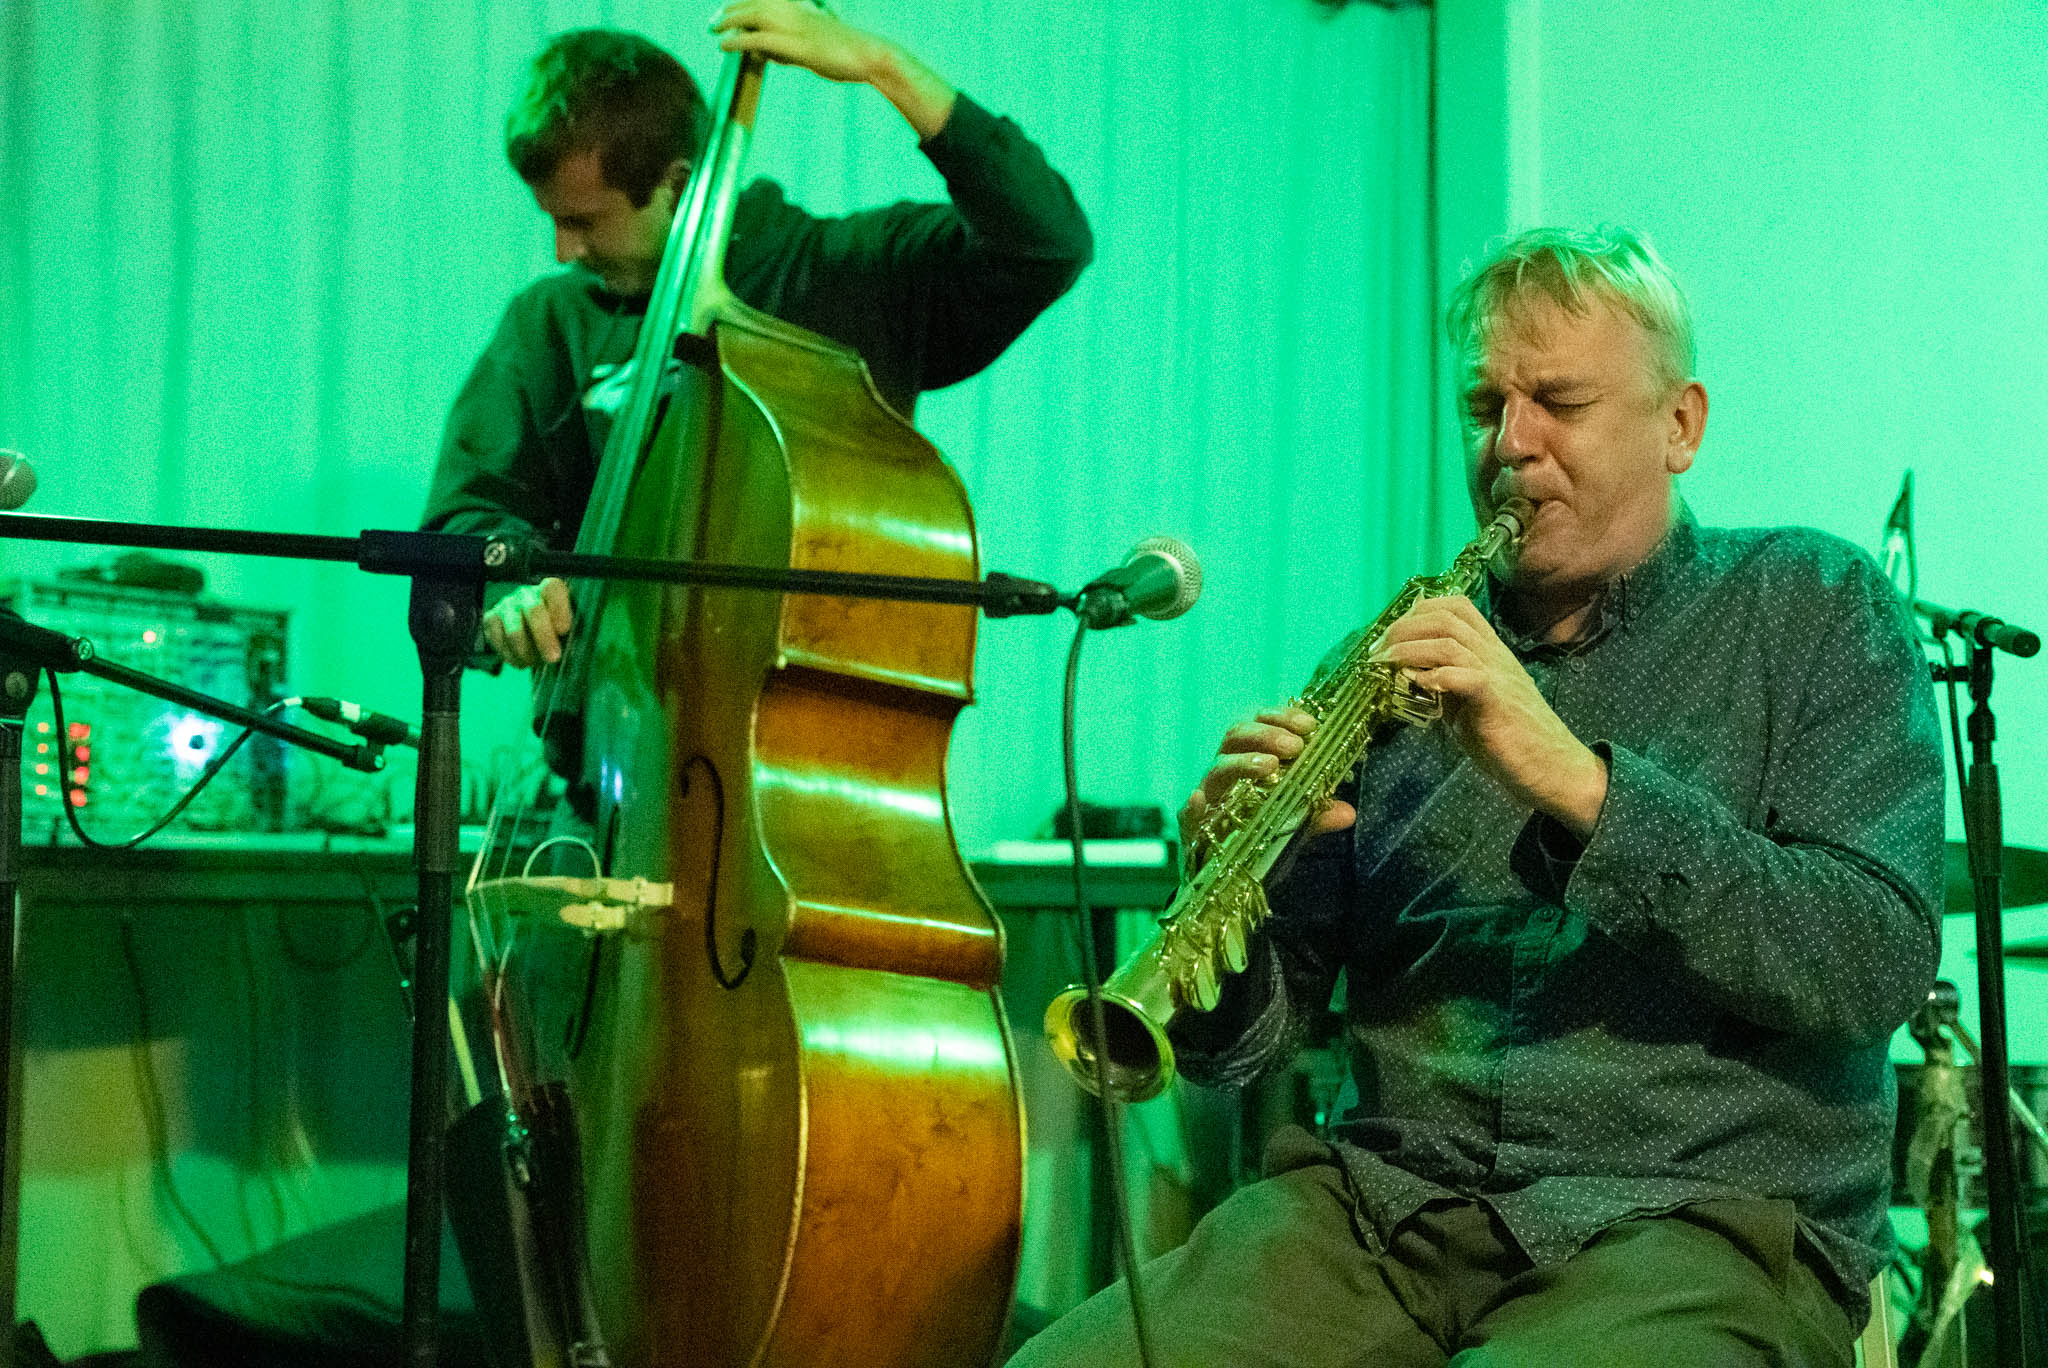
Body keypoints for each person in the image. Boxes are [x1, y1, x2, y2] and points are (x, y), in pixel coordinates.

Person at [1011, 226, 1943, 1367]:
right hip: (1379, 1215)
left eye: (1558, 402)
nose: (1510, 445)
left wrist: (1575, 782)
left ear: (1679, 425)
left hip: (1692, 1223)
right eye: (1482, 406)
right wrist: (1232, 885)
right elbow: (1238, 1051)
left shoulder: (1812, 605)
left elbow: (1871, 960)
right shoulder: (1387, 660)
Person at [421, 1, 1091, 669]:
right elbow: (468, 515)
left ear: (678, 185)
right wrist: (510, 591)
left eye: (584, 222)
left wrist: (884, 67)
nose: (563, 251)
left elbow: (1046, 244)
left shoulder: (847, 277)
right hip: (604, 718)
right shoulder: (549, 323)